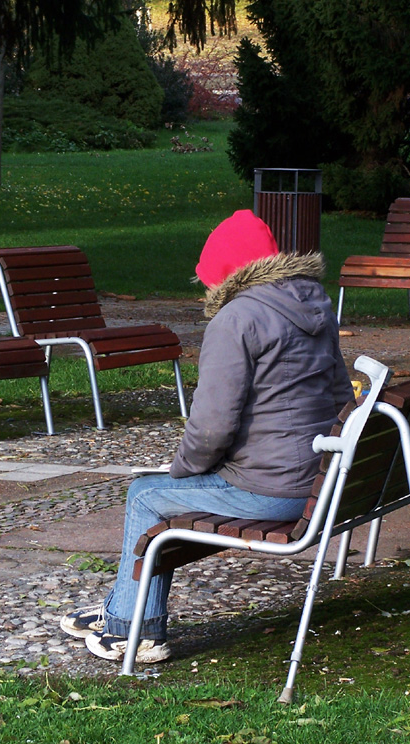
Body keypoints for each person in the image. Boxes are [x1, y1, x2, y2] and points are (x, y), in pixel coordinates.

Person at [60, 209, 354, 663]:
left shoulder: (236, 319)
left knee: (146, 495)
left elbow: (211, 427)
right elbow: (341, 398)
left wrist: (181, 469)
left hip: (273, 492)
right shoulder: (315, 305)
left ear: (226, 274)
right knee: (161, 492)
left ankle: (132, 631)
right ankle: (121, 608)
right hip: (322, 480)